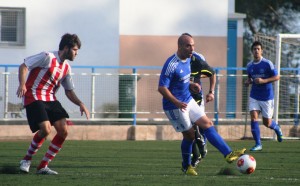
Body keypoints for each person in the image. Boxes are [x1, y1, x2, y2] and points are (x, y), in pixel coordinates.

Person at [158, 33, 246, 176]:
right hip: (174, 106)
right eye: (188, 45)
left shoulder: (189, 60)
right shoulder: (171, 64)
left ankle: (228, 154)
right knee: (190, 136)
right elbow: (162, 88)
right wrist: (176, 102)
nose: (192, 48)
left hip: (187, 99)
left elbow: (182, 81)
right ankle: (186, 166)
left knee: (207, 124)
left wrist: (191, 85)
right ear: (180, 46)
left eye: (193, 45)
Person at [16, 33, 90, 175]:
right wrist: (22, 84)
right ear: (66, 48)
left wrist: (80, 103)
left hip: (50, 99)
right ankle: (26, 160)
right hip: (34, 95)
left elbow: (68, 91)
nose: (77, 53)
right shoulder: (47, 57)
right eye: (75, 50)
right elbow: (24, 66)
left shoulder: (66, 68)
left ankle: (42, 166)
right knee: (46, 129)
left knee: (64, 130)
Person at [245, 41, 283, 151]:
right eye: (254, 49)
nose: (256, 51)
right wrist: (248, 82)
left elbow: (277, 77)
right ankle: (258, 144)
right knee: (253, 118)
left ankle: (276, 127)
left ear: (262, 51)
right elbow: (250, 78)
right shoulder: (249, 65)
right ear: (252, 51)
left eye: (258, 49)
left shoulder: (267, 63)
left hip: (267, 97)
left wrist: (264, 80)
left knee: (267, 123)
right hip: (254, 96)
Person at [189, 51, 216, 168]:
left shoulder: (198, 58)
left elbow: (211, 73)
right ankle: (197, 154)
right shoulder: (177, 60)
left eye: (191, 45)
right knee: (189, 129)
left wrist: (211, 92)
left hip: (196, 97)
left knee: (200, 124)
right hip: (183, 98)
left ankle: (201, 143)